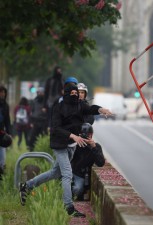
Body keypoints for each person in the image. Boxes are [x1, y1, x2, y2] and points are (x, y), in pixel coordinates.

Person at [19, 83, 113, 218]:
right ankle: (69, 207)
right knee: (67, 174)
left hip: (71, 145)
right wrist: (73, 135)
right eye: (72, 93)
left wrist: (101, 110)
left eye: (76, 93)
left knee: (55, 173)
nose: (75, 96)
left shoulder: (80, 105)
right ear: (66, 93)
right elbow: (56, 128)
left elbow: (90, 108)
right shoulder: (59, 107)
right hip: (59, 144)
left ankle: (27, 186)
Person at [71, 123, 105, 200]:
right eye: (83, 135)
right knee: (76, 188)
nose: (86, 137)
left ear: (91, 135)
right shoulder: (75, 145)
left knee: (79, 189)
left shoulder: (96, 146)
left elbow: (101, 163)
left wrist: (93, 147)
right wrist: (76, 143)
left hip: (84, 175)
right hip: (74, 172)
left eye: (88, 135)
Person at [28, 87, 48, 151]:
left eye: (41, 92)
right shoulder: (34, 101)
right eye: (38, 92)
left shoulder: (47, 102)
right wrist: (31, 122)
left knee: (43, 137)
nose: (39, 94)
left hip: (44, 122)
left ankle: (43, 151)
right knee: (32, 138)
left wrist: (46, 110)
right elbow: (31, 112)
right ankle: (31, 151)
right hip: (35, 122)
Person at [0, 85, 12, 179]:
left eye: (4, 92)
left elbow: (7, 120)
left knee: (2, 157)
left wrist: (9, 133)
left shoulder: (6, 105)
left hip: (2, 133)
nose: (2, 94)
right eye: (1, 92)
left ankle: (2, 172)